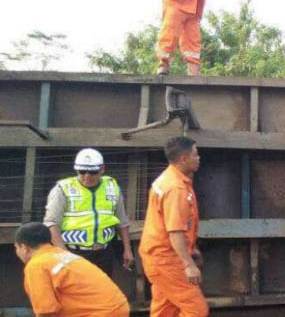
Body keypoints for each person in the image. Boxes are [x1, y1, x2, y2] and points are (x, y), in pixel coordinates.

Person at [139, 136, 208, 316]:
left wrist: (191, 249)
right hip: (166, 260)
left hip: (158, 256)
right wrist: (188, 264)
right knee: (196, 309)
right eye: (195, 154)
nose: (198, 158)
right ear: (183, 159)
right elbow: (175, 231)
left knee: (165, 309)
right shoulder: (176, 189)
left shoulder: (168, 179)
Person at [43, 148, 133, 277]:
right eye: (82, 171)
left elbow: (122, 221)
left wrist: (127, 250)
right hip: (73, 252)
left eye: (92, 172)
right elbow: (51, 223)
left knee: (102, 293)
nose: (87, 175)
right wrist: (63, 254)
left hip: (104, 253)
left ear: (102, 169)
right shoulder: (62, 189)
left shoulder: (112, 188)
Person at [15, 222, 130, 317]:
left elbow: (46, 312)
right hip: (118, 307)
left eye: (16, 248)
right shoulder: (63, 255)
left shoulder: (37, 265)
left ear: (24, 248)